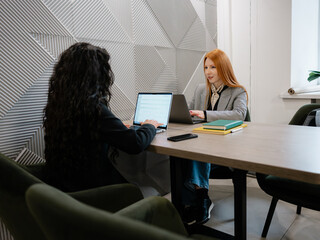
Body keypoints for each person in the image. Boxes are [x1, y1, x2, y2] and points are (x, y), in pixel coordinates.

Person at [43, 42, 162, 192]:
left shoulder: (58, 104)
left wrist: (116, 129)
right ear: (96, 75)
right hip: (93, 193)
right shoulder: (93, 108)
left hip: (63, 189)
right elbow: (135, 143)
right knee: (150, 187)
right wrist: (150, 125)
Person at [182, 48, 248, 224]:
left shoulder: (237, 91)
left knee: (198, 150)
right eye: (206, 67)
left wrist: (205, 114)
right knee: (182, 151)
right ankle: (191, 201)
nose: (208, 72)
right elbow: (188, 110)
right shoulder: (200, 89)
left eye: (213, 67)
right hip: (202, 140)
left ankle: (202, 199)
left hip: (225, 148)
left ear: (223, 68)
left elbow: (239, 114)